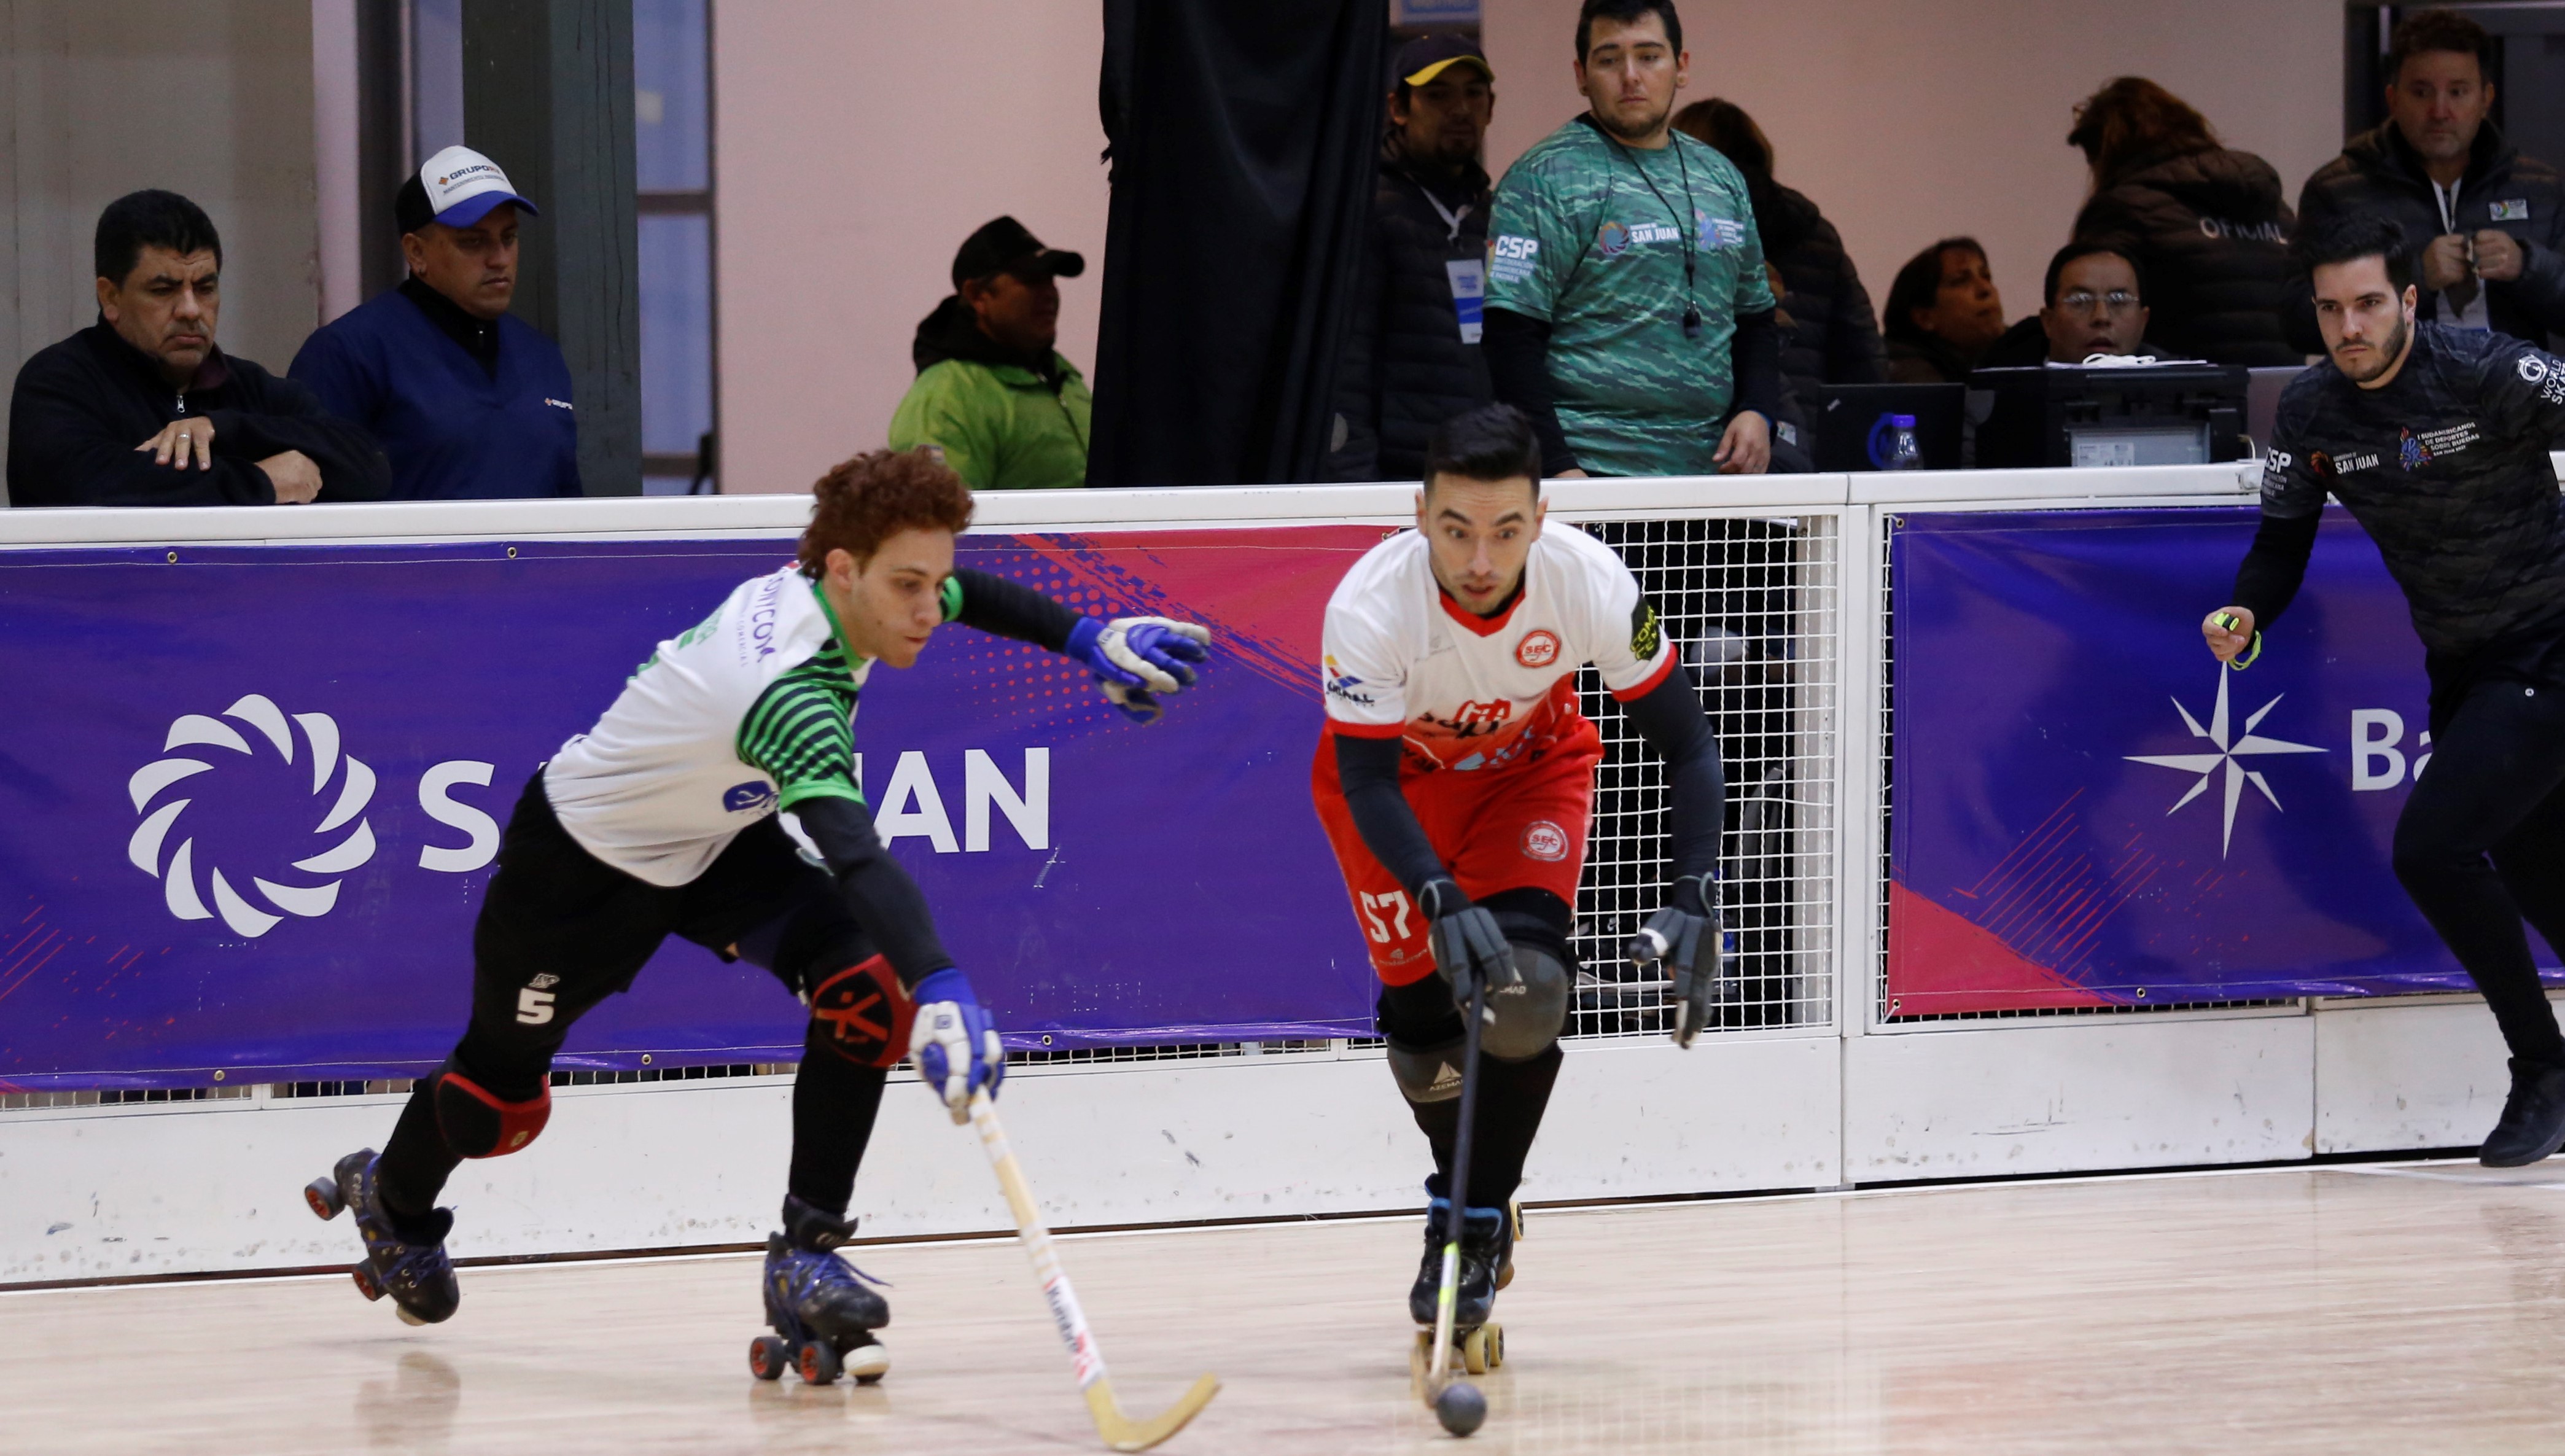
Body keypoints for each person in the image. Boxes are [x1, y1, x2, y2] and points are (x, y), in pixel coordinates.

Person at [302, 448, 1214, 1381]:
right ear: (844, 570)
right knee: (495, 1108)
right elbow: (856, 853)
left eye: (932, 582)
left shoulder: (848, 588)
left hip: (714, 841)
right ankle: (392, 1199)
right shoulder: (786, 693)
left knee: (866, 990)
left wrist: (1085, 637)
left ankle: (806, 1254)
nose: (928, 608)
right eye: (907, 586)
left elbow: (963, 592)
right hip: (576, 866)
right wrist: (942, 982)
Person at [1310, 402, 1726, 1343]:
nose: (1481, 558)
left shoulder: (1588, 581)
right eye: (1457, 529)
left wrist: (1697, 887)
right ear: (1421, 514)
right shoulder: (1368, 607)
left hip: (1526, 775)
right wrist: (1435, 890)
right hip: (1392, 794)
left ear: (1540, 517)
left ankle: (1469, 1220)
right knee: (1423, 1033)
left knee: (1526, 994)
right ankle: (1467, 1188)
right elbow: (1367, 780)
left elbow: (1691, 746)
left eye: (1505, 530)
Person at [2206, 213, 2565, 1167]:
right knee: (2535, 869)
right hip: (2464, 662)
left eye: (2367, 303)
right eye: (2330, 309)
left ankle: (2543, 1069)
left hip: (2552, 642)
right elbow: (2280, 544)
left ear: (2408, 299)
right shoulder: (2312, 412)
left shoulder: (2487, 370)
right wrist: (2246, 613)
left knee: (2433, 847)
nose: (2349, 327)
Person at [1482, 0, 1781, 479]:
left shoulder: (1720, 177)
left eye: (1648, 56)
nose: (1630, 76)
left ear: (1681, 67)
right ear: (1581, 76)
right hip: (1590, 469)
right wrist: (1557, 467)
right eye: (1608, 59)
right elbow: (1509, 336)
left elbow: (1755, 317)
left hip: (1712, 473)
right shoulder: (1543, 178)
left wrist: (1758, 410)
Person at [7, 190, 389, 508]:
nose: (190, 310)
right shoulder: (60, 380)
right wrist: (260, 482)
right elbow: (88, 486)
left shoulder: (251, 387)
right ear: (110, 297)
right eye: (163, 290)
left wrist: (221, 428)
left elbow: (369, 468)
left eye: (205, 288)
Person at [289, 146, 580, 500]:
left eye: (509, 238)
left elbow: (570, 506)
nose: (500, 259)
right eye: (473, 242)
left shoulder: (541, 357)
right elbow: (308, 506)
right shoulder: (349, 354)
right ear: (417, 252)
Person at [2288, 9, 2565, 353]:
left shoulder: (2539, 188)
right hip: (2392, 387)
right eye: (2421, 93)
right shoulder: (2338, 191)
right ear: (2393, 99)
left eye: (2458, 92)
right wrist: (2413, 278)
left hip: (2512, 385)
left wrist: (2528, 266)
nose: (2439, 111)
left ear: (2485, 99)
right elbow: (2298, 322)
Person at [1328, 36, 1498, 483]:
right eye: (1438, 95)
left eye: (1473, 93)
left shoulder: (1493, 213)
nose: (1460, 109)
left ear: (1491, 108)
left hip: (1485, 470)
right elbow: (1348, 363)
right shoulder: (1368, 208)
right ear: (1398, 109)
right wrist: (1357, 484)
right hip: (1397, 478)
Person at [2065, 77, 2297, 366]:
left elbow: (2089, 321)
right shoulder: (2276, 208)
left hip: (2180, 389)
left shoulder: (2122, 210)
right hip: (2280, 385)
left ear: (2108, 149)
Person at [1673, 97, 1886, 408]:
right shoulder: (1816, 233)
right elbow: (1864, 359)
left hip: (1711, 422)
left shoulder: (1676, 226)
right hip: (1810, 422)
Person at [887, 218, 1092, 490]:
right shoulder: (948, 398)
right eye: (1031, 280)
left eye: (1050, 280)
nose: (1049, 294)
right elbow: (937, 513)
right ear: (978, 295)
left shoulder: (1063, 377)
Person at [1979, 242, 2162, 367]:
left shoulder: (2177, 392)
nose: (2102, 317)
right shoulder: (1992, 396)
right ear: (2048, 322)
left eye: (2118, 301)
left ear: (2143, 320)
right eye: (2080, 301)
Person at [1882, 238, 2005, 384]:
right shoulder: (1912, 378)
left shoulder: (2018, 347)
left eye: (1986, 276)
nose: (1985, 289)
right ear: (1925, 318)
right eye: (1961, 280)